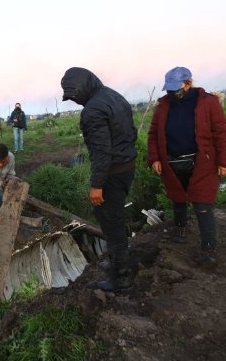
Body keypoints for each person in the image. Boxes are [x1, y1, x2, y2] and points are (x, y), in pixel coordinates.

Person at [148, 67, 226, 269]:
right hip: (171, 163)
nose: (172, 93)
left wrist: (224, 162)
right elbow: (153, 135)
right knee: (177, 198)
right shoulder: (163, 106)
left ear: (188, 83)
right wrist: (154, 159)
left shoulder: (208, 102)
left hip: (202, 163)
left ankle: (208, 250)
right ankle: (180, 229)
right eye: (169, 89)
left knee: (202, 204)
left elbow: (221, 133)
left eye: (176, 88)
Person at [61, 67, 137, 291]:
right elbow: (130, 133)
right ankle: (116, 261)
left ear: (84, 87)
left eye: (74, 95)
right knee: (116, 217)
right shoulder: (114, 96)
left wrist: (96, 185)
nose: (74, 100)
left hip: (111, 174)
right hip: (126, 168)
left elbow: (101, 152)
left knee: (111, 223)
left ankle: (120, 278)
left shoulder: (93, 110)